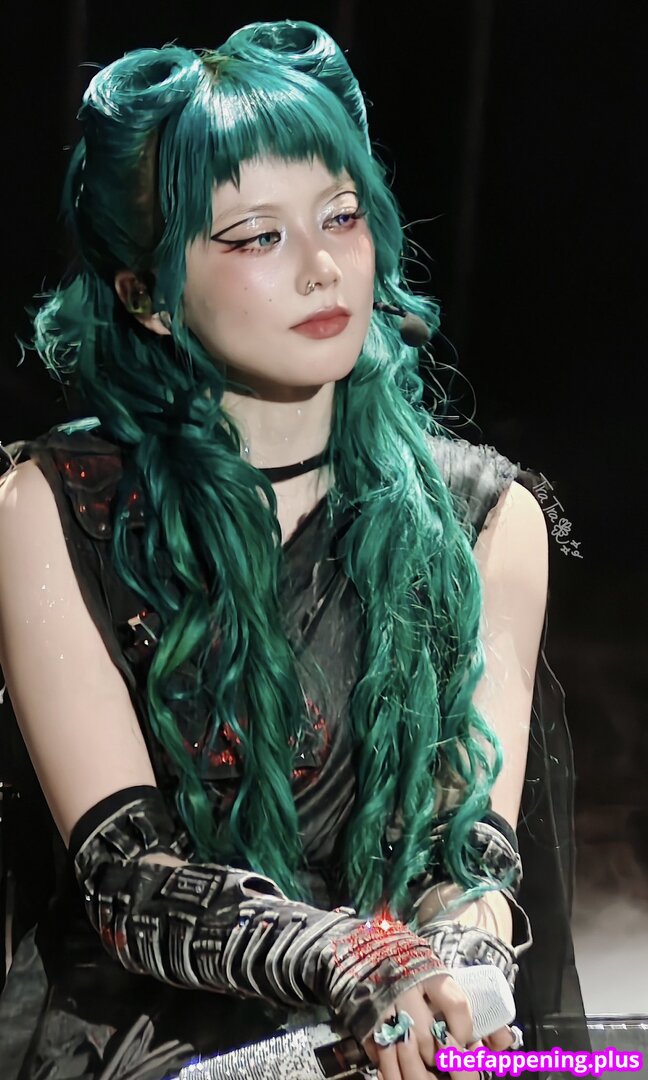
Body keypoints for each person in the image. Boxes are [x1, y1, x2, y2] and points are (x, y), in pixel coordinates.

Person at [0, 19, 579, 1080]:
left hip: (389, 1032)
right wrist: (358, 959)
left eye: (342, 216)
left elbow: (470, 854)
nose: (323, 267)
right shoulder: (54, 506)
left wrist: (457, 969)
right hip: (151, 1041)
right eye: (257, 236)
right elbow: (129, 879)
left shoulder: (487, 520)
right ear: (147, 295)